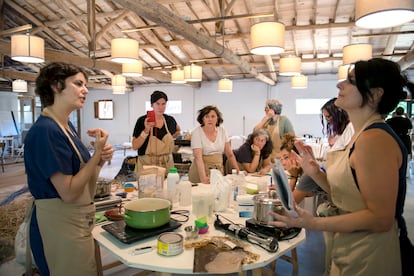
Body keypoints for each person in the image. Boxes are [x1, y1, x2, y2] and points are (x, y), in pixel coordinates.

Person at [269, 58, 412, 275]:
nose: (340, 85)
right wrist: (315, 173)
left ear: (375, 94)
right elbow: (351, 196)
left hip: (373, 253)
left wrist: (313, 222)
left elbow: (380, 218)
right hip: (353, 246)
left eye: (351, 80)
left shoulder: (374, 139)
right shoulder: (360, 133)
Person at [24, 62, 114, 275]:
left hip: (75, 221)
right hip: (59, 225)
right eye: (78, 84)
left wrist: (100, 158)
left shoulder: (66, 127)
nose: (85, 90)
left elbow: (82, 176)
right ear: (56, 85)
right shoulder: (46, 131)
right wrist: (96, 156)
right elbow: (69, 192)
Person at [132, 90, 181, 175]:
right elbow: (134, 146)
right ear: (152, 105)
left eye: (163, 104)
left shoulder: (170, 120)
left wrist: (170, 138)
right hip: (147, 165)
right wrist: (146, 131)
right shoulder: (142, 121)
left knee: (168, 187)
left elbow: (178, 130)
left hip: (166, 164)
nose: (160, 107)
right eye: (157, 104)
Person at [189, 105, 239, 184]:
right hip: (201, 171)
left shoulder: (222, 131)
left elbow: (230, 154)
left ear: (217, 118)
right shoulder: (197, 133)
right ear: (202, 119)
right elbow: (198, 158)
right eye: (207, 116)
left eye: (213, 116)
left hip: (218, 169)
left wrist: (238, 171)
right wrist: (203, 178)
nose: (210, 119)